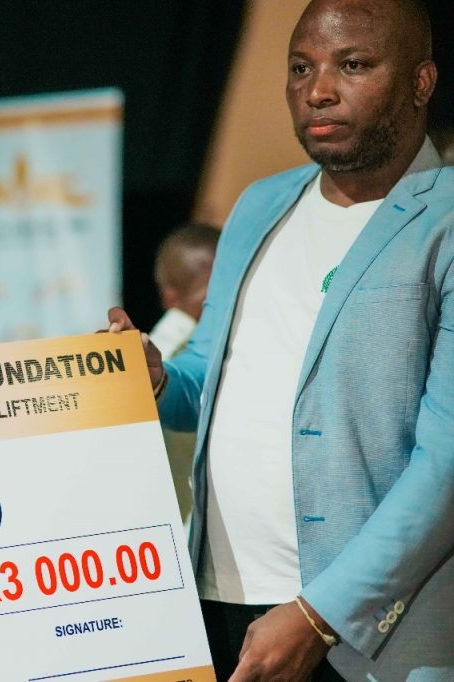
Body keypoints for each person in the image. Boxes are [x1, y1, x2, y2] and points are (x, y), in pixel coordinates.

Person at [108, 0, 453, 679]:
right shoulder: (259, 205)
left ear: (421, 82)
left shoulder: (444, 218)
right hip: (222, 598)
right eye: (301, 68)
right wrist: (159, 378)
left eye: (353, 65)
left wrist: (321, 613)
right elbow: (209, 372)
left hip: (365, 630)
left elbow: (446, 459)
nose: (318, 90)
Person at [147, 223, 219, 527]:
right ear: (170, 298)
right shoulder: (162, 359)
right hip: (187, 523)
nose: (220, 306)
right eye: (209, 297)